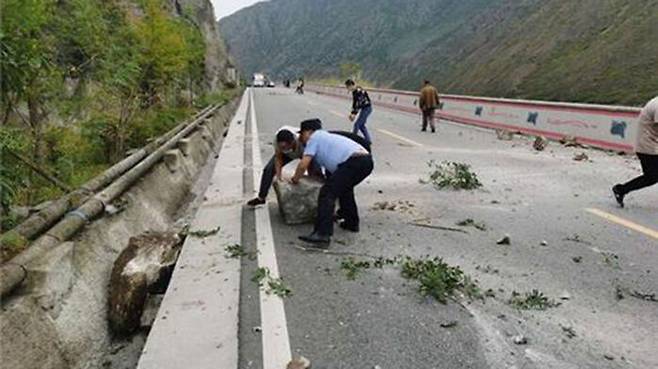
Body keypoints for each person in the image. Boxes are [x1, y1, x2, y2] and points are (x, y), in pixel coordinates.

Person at [291, 121, 374, 247]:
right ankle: (351, 223)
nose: (301, 138)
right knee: (344, 190)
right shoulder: (326, 137)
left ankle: (323, 235)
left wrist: (295, 179)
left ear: (308, 132)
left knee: (327, 193)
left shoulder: (315, 137)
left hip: (355, 161)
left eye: (301, 135)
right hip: (365, 161)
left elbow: (303, 164)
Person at [247, 121, 322, 206]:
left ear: (293, 142)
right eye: (282, 147)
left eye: (286, 147)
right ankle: (261, 198)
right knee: (268, 169)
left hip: (303, 152)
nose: (284, 148)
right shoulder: (277, 141)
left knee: (315, 170)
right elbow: (278, 159)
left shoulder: (302, 141)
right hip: (287, 155)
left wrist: (297, 179)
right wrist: (279, 177)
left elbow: (303, 165)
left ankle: (320, 196)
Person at [613, 96, 658, 207]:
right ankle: (621, 189)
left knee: (652, 176)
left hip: (650, 144)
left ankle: (621, 189)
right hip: (648, 147)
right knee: (651, 177)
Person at [345, 79, 373, 144]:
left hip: (367, 108)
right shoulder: (354, 92)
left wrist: (354, 114)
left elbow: (359, 103)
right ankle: (368, 140)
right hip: (364, 109)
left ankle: (353, 139)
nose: (347, 89)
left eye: (347, 87)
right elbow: (354, 103)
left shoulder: (359, 91)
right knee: (361, 125)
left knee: (357, 124)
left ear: (351, 85)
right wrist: (352, 113)